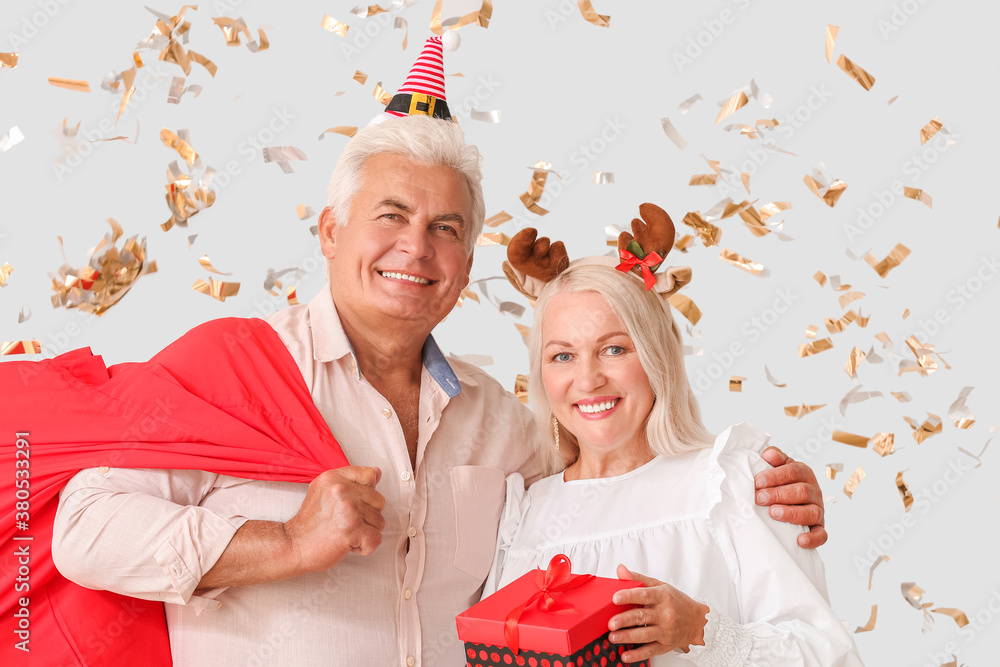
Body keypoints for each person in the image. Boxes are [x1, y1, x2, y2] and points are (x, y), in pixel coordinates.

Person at [49, 47, 827, 664]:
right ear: (329, 231)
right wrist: (284, 542)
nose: (416, 249)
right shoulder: (232, 368)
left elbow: (615, 479)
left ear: (467, 255)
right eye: (391, 214)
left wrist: (760, 489)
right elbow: (83, 526)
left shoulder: (501, 425)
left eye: (447, 228)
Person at [483, 208, 863, 665]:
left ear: (657, 355)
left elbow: (827, 654)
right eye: (562, 356)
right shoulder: (523, 514)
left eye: (614, 349)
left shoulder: (728, 485)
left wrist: (700, 629)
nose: (587, 380)